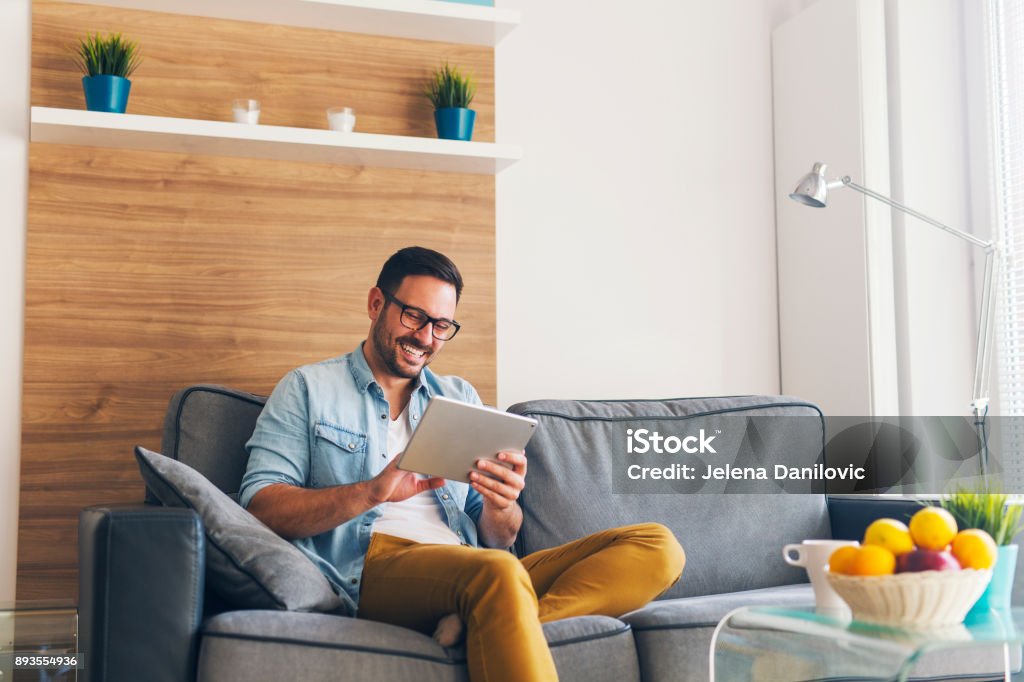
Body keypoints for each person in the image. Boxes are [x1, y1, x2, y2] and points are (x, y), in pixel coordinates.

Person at [240, 246, 685, 682]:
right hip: (373, 567)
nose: (426, 338)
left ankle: (484, 619)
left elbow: (498, 538)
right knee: (497, 573)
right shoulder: (308, 388)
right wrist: (372, 492)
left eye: (442, 325)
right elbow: (261, 508)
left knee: (657, 546)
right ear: (376, 303)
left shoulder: (458, 398)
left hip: (472, 565)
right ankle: (491, 610)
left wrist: (501, 506)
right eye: (414, 316)